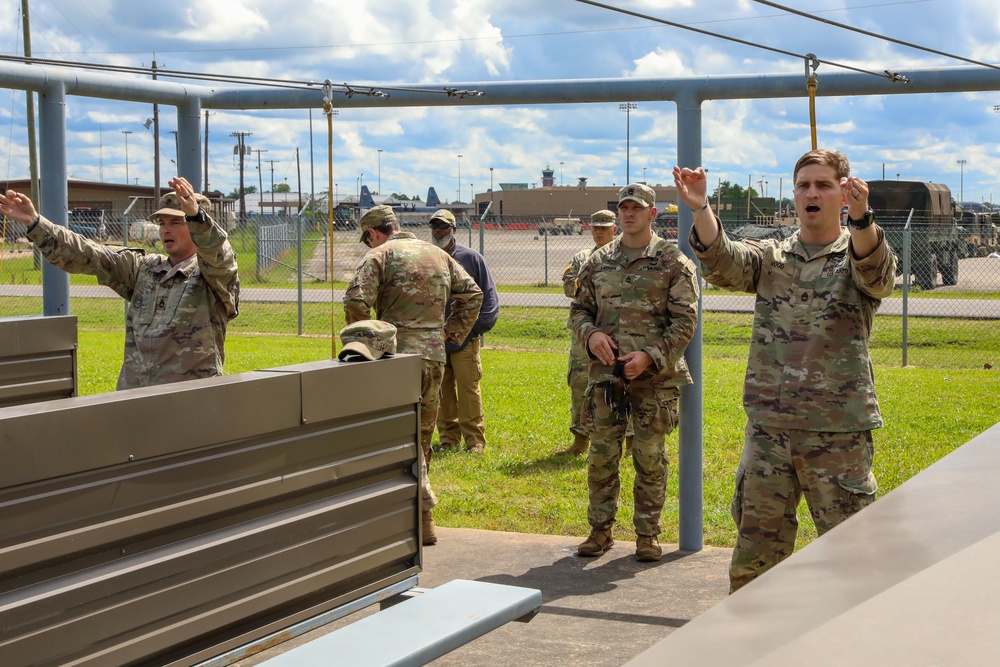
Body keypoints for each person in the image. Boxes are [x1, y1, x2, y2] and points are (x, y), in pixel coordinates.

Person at [673, 149, 897, 592]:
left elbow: (876, 274)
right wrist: (701, 207)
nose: (811, 192)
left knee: (850, 560)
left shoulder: (856, 252)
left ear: (844, 192)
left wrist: (862, 217)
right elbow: (722, 261)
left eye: (823, 185)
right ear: (794, 195)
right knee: (755, 563)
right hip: (770, 432)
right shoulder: (773, 256)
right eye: (803, 185)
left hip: (836, 435)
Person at [0, 177, 239, 390]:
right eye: (162, 223)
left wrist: (196, 216)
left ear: (198, 227)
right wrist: (35, 223)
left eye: (176, 223)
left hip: (191, 404)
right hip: (133, 400)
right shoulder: (144, 269)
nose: (166, 230)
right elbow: (88, 253)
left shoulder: (212, 277)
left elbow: (217, 254)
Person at [569, 183, 699, 562]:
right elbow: (578, 309)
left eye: (636, 208)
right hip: (606, 378)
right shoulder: (599, 261)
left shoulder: (672, 262)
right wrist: (590, 335)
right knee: (602, 455)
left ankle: (647, 536)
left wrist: (650, 356)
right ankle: (600, 531)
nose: (628, 214)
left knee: (649, 457)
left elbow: (685, 321)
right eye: (623, 208)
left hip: (654, 380)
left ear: (651, 214)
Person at [344, 205, 483, 545]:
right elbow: (473, 294)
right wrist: (449, 333)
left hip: (394, 358)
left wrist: (366, 343)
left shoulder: (380, 255)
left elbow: (356, 299)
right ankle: (422, 521)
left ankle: (410, 515)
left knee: (392, 436)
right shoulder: (438, 254)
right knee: (421, 436)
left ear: (374, 233)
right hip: (433, 357)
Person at [428, 209, 500, 454]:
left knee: (468, 389)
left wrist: (473, 329)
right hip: (436, 339)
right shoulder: (428, 258)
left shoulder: (471, 258)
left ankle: (475, 441)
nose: (439, 231)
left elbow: (488, 299)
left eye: (444, 226)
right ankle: (448, 439)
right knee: (442, 390)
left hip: (465, 339)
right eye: (435, 226)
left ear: (454, 229)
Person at [557, 209, 621, 456]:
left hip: (616, 332)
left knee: (620, 384)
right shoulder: (581, 257)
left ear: (614, 229)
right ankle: (580, 439)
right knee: (579, 382)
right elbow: (569, 289)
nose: (599, 232)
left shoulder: (624, 256)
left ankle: (628, 440)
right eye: (595, 227)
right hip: (584, 333)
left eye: (604, 227)